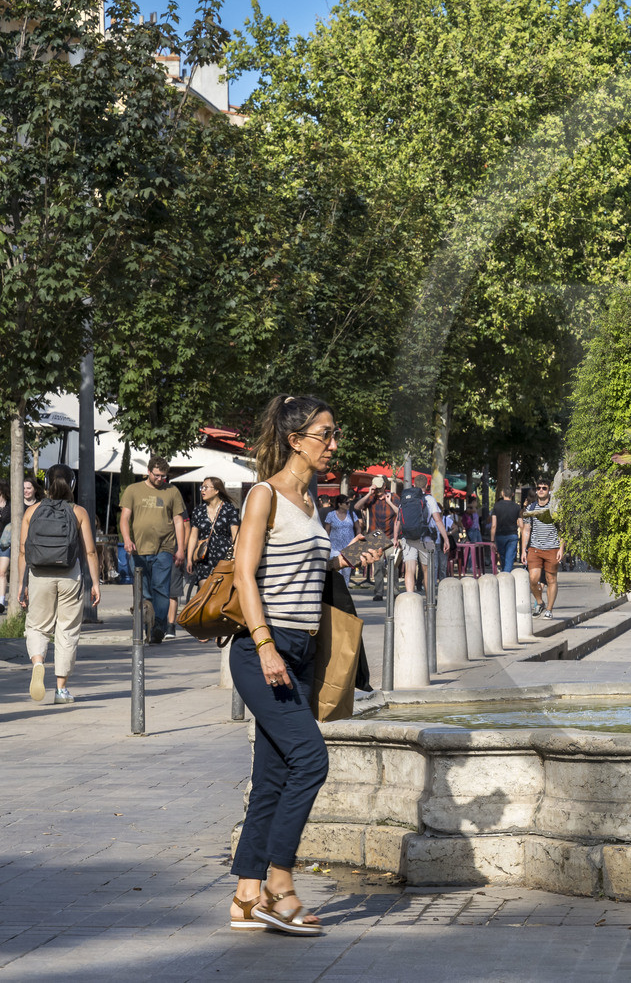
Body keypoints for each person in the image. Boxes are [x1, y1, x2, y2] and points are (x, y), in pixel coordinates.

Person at [227, 394, 381, 936]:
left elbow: (303, 569)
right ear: (295, 440)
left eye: (334, 434)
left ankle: (246, 894)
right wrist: (265, 643)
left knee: (271, 776)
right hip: (260, 651)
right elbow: (247, 576)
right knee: (311, 760)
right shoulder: (263, 496)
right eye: (325, 435)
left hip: (302, 651)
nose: (333, 444)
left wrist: (347, 555)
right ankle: (280, 884)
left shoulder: (312, 501)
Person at [19, 464, 100, 704]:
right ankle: (61, 690)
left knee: (36, 626)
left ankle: (38, 662)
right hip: (69, 574)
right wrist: (95, 583)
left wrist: (21, 585)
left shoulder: (31, 512)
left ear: (44, 486)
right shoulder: (79, 512)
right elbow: (91, 552)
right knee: (67, 630)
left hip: (38, 574)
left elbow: (23, 551)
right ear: (72, 485)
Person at [119, 457, 189, 644]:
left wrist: (181, 548)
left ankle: (159, 626)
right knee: (144, 592)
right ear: (148, 471)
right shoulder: (133, 490)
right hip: (138, 549)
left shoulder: (172, 491)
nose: (159, 479)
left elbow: (178, 521)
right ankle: (146, 626)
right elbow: (125, 518)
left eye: (163, 476)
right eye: (156, 475)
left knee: (160, 588)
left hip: (164, 548)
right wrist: (127, 540)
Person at [396, 478, 448, 594]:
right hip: (426, 538)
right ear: (427, 485)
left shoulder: (406, 499)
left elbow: (398, 521)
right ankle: (429, 601)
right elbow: (438, 520)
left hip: (408, 538)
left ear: (414, 485)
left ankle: (410, 599)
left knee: (410, 569)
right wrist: (446, 539)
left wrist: (395, 538)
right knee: (426, 570)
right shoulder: (430, 499)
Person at [187, 477, 241, 582]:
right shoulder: (198, 510)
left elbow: (236, 536)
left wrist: (234, 557)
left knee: (221, 592)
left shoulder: (229, 509)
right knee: (204, 590)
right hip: (204, 558)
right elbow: (193, 536)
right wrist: (189, 559)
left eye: (205, 487)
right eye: (201, 487)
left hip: (224, 557)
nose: (202, 490)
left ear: (216, 490)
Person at [524, 478, 562, 617]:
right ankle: (540, 602)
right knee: (533, 579)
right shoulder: (531, 508)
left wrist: (562, 548)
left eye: (544, 488)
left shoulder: (555, 507)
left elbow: (562, 529)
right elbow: (526, 529)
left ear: (549, 490)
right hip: (535, 548)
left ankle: (549, 610)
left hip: (553, 548)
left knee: (551, 579)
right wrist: (523, 550)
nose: (541, 490)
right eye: (539, 488)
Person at [489, 489, 520, 572]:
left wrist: (492, 540)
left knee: (502, 557)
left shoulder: (496, 506)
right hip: (512, 534)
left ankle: (505, 574)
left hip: (500, 535)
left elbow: (494, 525)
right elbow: (521, 524)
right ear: (512, 494)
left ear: (502, 494)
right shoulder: (517, 507)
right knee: (509, 558)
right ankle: (506, 575)